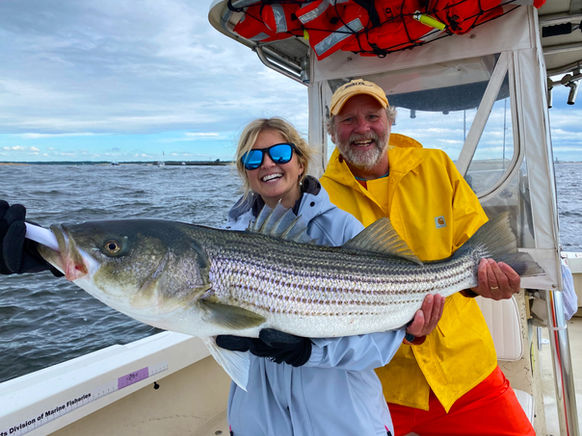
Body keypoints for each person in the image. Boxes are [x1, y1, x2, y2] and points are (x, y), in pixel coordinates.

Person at [0, 117, 445, 436]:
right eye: (253, 157)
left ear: (300, 160)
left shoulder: (341, 228)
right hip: (258, 423)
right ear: (244, 171)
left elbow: (383, 342)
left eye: (280, 153)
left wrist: (309, 351)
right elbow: (153, 298)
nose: (268, 163)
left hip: (343, 423)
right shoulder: (223, 238)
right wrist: (44, 254)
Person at [320, 79, 535, 436]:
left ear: (390, 120)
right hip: (377, 384)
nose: (362, 129)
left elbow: (475, 246)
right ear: (331, 131)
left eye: (372, 116)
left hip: (462, 369)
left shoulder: (435, 165)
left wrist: (486, 279)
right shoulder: (320, 197)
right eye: (348, 120)